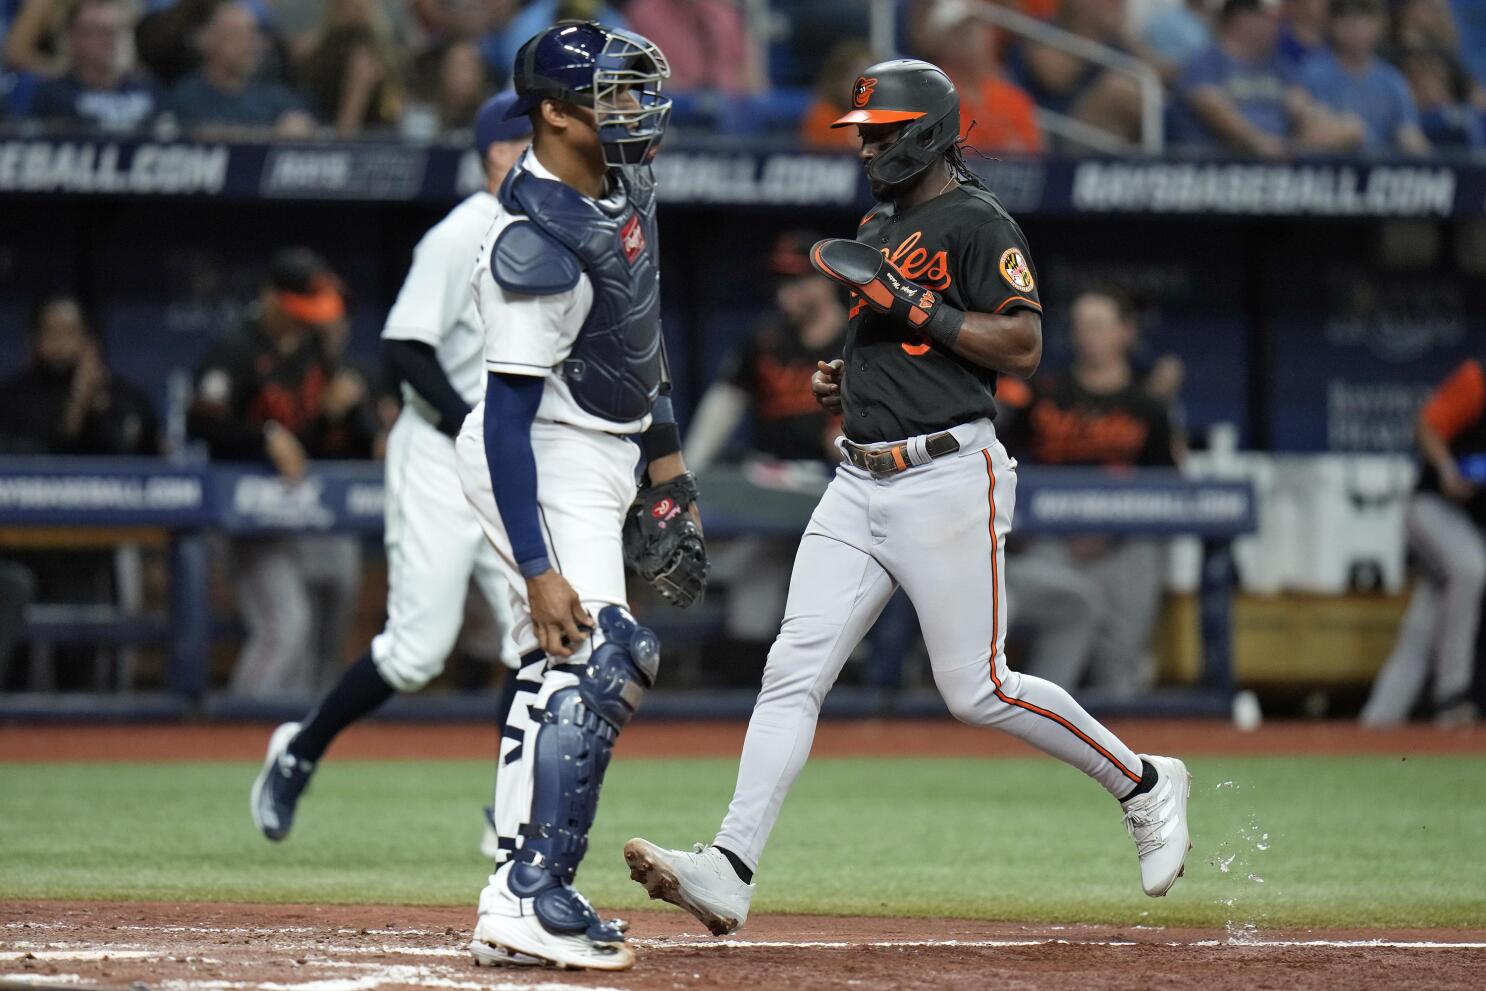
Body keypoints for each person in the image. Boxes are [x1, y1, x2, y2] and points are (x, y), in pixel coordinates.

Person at [624, 58, 1192, 940]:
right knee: (792, 670)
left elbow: (1024, 344)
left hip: (946, 476)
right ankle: (729, 867)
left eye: (884, 131)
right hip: (858, 478)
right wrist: (843, 378)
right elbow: (890, 345)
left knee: (977, 687)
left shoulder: (977, 221)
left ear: (926, 131)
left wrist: (914, 307)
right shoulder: (880, 221)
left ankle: (1145, 782)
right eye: (865, 132)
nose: (870, 146)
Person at [454, 22, 702, 972]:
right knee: (602, 657)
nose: (636, 111)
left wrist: (667, 470)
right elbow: (506, 422)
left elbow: (641, 333)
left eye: (639, 90)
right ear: (554, 114)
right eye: (613, 95)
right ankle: (529, 893)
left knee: (562, 671)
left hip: (606, 448)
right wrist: (536, 568)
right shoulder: (534, 241)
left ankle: (514, 887)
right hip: (543, 454)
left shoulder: (625, 185)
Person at [249, 94, 531, 846]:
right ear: (499, 154)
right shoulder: (460, 233)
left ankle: (509, 813)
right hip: (441, 455)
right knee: (415, 652)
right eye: (532, 140)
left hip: (509, 463)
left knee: (534, 639)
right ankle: (297, 751)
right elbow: (403, 349)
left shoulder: (555, 232)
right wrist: (475, 425)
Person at [187, 248, 379, 699]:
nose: (306, 321)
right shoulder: (236, 348)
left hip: (305, 505)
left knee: (335, 598)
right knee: (285, 626)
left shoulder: (315, 350)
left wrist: (350, 423)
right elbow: (202, 422)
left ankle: (310, 726)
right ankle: (237, 733)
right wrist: (264, 436)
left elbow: (322, 437)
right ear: (272, 298)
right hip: (248, 511)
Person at [995, 290, 1179, 697]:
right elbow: (1000, 459)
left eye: (1098, 325)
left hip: (1121, 547)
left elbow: (1169, 490)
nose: (1087, 336)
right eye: (1079, 326)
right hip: (1049, 543)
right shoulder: (1044, 393)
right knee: (1071, 607)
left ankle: (1120, 749)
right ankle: (1042, 725)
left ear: (1125, 333)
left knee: (1120, 668)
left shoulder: (1147, 406)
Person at [684, 230, 846, 661]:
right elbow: (724, 404)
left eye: (797, 281)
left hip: (842, 485)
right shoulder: (764, 338)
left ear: (826, 281)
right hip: (775, 482)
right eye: (780, 281)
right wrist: (688, 471)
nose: (785, 292)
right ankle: (744, 674)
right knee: (753, 568)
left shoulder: (859, 340)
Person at [1361, 356, 1485, 728]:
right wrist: (1448, 468)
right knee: (1472, 570)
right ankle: (1453, 695)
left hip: (1466, 525)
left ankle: (1378, 722)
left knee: (1427, 622)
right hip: (1431, 506)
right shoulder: (1476, 380)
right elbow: (1427, 425)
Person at [1173, 0, 1365, 156]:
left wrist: (1321, 123)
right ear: (1242, 20)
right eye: (1271, 19)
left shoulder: (1277, 65)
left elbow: (1300, 104)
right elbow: (1212, 106)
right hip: (1222, 162)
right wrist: (1258, 141)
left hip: (1278, 159)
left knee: (1349, 128)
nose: (1279, 27)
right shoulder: (1205, 62)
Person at [0, 293, 158, 456]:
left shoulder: (127, 397)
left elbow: (147, 455)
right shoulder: (11, 400)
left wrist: (99, 407)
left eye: (70, 333)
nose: (60, 345)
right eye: (51, 333)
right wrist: (77, 408)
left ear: (90, 341)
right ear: (34, 341)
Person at [1298, 0, 1430, 154]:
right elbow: (1305, 136)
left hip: (1378, 171)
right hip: (1328, 169)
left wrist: (1429, 162)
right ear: (1332, 24)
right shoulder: (1312, 73)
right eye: (1346, 18)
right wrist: (1347, 132)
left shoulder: (1392, 81)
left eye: (1364, 18)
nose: (1355, 26)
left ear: (1379, 24)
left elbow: (1408, 134)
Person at [165, 1, 313, 135]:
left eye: (252, 34)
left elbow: (308, 123)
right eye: (236, 35)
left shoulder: (275, 98)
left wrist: (300, 126)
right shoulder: (184, 99)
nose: (248, 45)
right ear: (205, 40)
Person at [924, 0, 1043, 153]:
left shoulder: (1014, 100)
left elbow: (1035, 159)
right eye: (960, 31)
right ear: (942, 40)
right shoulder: (926, 97)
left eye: (979, 28)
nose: (972, 37)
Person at [28, 0, 157, 132]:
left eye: (116, 30)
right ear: (74, 38)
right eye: (101, 32)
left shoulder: (147, 88)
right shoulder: (53, 96)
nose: (111, 40)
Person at [295, 0, 404, 136]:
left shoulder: (380, 49)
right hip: (320, 121)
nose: (353, 10)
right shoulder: (313, 46)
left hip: (373, 130)